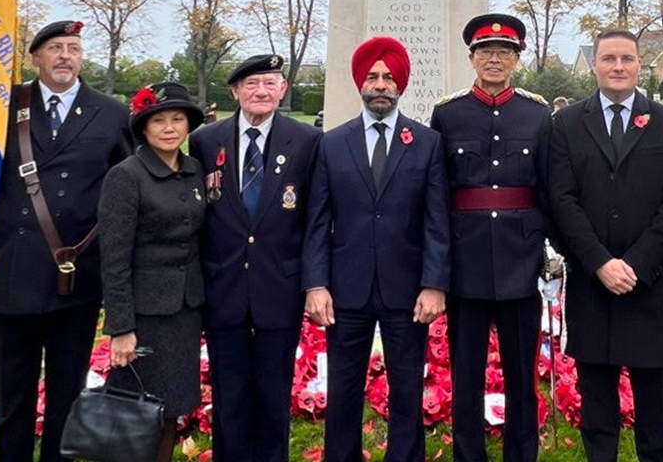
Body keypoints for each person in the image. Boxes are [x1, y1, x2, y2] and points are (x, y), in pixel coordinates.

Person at [0, 20, 134, 462]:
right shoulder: (5, 108)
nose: (65, 55)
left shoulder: (110, 112)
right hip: (12, 272)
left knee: (67, 391)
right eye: (55, 48)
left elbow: (126, 190)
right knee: (11, 394)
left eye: (73, 48)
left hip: (77, 277)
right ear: (36, 58)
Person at [548, 29, 663, 462]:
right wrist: (599, 264)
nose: (617, 67)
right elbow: (561, 199)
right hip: (595, 288)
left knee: (654, 413)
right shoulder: (567, 123)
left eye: (626, 59)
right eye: (608, 58)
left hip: (652, 285)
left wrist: (635, 263)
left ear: (638, 65)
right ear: (594, 64)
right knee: (598, 409)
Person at [305, 36, 450, 462]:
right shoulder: (331, 144)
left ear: (400, 84)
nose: (381, 85)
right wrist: (315, 284)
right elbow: (316, 220)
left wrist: (434, 283)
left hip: (407, 291)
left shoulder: (426, 143)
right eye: (373, 77)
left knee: (406, 391)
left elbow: (436, 221)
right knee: (344, 390)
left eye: (389, 77)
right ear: (360, 84)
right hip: (345, 290)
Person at [188, 54, 322, 462]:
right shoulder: (205, 140)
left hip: (277, 288)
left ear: (283, 90)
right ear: (235, 91)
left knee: (273, 393)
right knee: (229, 395)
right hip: (223, 287)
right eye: (251, 84)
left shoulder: (307, 141)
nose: (260, 91)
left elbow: (315, 219)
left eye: (269, 83)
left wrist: (313, 282)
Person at [430, 14, 550, 462]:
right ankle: (469, 454)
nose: (494, 59)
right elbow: (438, 192)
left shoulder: (537, 113)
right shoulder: (449, 112)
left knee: (522, 373)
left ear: (517, 60)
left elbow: (547, 186)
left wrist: (551, 251)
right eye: (486, 52)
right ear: (472, 59)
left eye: (504, 52)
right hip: (467, 259)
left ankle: (522, 454)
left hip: (521, 257)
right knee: (467, 372)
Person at [97, 82, 206, 462]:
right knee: (137, 413)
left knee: (170, 411)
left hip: (185, 313)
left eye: (177, 119)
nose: (170, 128)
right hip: (145, 316)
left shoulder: (194, 172)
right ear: (143, 127)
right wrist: (121, 327)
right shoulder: (126, 176)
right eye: (158, 120)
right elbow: (113, 257)